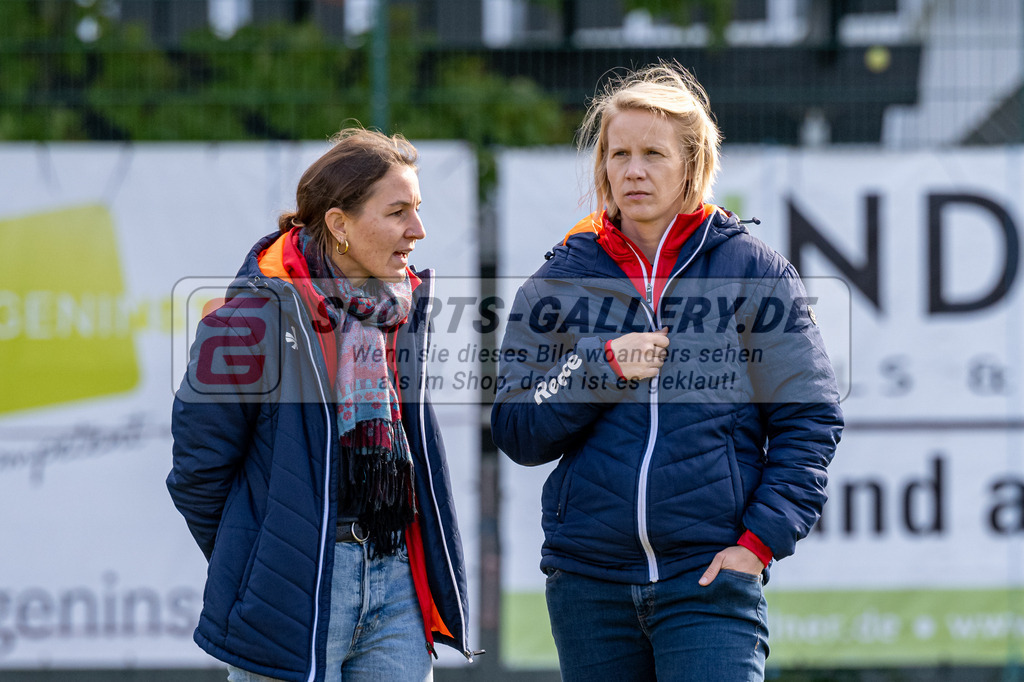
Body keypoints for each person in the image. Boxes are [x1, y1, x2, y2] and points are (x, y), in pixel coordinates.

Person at [490, 62, 844, 681]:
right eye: (618, 153)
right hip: (588, 587)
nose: (632, 170)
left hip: (709, 581)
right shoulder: (558, 279)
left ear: (693, 165)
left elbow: (809, 421)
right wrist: (600, 368)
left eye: (653, 153)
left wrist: (755, 546)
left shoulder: (753, 270)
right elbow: (518, 428)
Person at [168, 127, 472, 682]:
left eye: (418, 210)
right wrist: (272, 557)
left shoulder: (401, 314)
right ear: (339, 224)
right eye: (398, 211)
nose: (418, 230)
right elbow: (197, 475)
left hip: (397, 576)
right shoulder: (244, 325)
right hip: (297, 586)